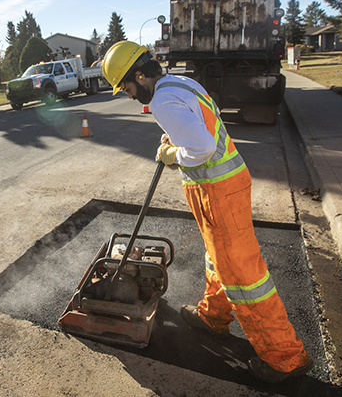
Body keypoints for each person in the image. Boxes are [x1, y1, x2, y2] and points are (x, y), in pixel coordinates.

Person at [102, 40, 313, 383]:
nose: (126, 93)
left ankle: (285, 357)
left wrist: (174, 156)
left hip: (218, 191)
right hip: (224, 184)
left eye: (125, 86)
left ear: (140, 75)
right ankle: (214, 318)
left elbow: (201, 147)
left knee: (243, 276)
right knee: (218, 258)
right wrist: (174, 142)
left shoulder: (162, 100)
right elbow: (199, 127)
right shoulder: (179, 83)